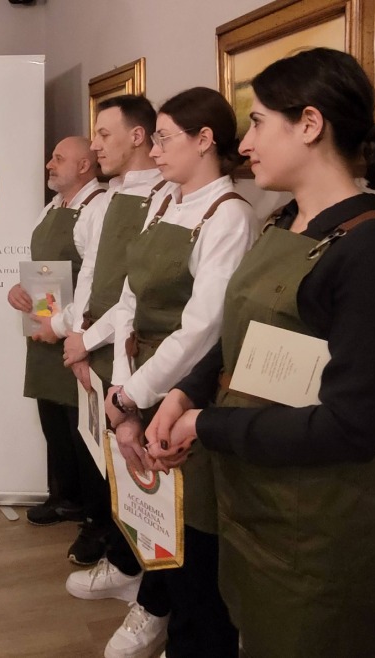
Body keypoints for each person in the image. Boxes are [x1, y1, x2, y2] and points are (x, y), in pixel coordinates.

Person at [146, 48, 375, 658]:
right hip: (255, 505)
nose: (245, 144)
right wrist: (185, 392)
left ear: (309, 124)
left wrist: (205, 425)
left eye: (256, 123)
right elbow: (239, 337)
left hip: (320, 526)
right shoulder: (284, 222)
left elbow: (352, 425)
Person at [99, 87, 256, 658]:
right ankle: (157, 609)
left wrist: (135, 395)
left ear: (205, 140)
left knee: (194, 529)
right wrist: (122, 389)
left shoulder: (229, 215)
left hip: (185, 392)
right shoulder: (164, 199)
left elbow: (202, 330)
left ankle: (195, 636)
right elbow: (129, 299)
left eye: (165, 139)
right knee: (152, 514)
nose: (156, 151)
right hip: (138, 376)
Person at [36, 95, 170, 570]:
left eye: (103, 134)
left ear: (138, 136)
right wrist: (75, 335)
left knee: (133, 460)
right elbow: (93, 275)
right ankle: (112, 543)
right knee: (98, 449)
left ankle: (131, 558)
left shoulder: (162, 197)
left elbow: (135, 291)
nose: (96, 146)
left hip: (131, 349)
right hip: (92, 341)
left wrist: (79, 337)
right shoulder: (113, 196)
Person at [7, 136, 105, 528]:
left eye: (58, 158)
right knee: (54, 424)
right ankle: (64, 496)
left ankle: (93, 516)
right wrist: (20, 290)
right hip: (43, 335)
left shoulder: (97, 209)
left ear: (84, 165)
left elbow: (97, 284)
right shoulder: (51, 209)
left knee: (83, 430)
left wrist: (61, 325)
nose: (49, 164)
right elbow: (41, 268)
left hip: (77, 336)